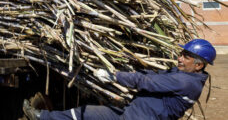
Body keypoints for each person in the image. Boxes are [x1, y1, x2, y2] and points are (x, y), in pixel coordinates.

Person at [23, 39, 216, 120]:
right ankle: (43, 117)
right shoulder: (181, 74)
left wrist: (113, 76)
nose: (180, 59)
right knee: (87, 112)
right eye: (181, 53)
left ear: (199, 65)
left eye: (186, 57)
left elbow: (146, 82)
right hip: (131, 113)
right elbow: (152, 75)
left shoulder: (186, 82)